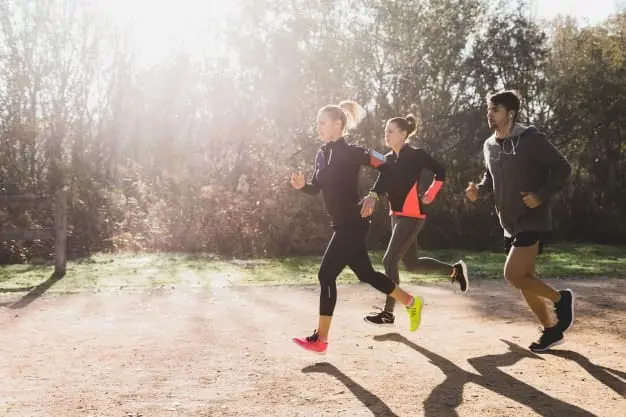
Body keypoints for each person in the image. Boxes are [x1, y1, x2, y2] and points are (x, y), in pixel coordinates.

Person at [289, 101, 423, 355]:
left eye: (322, 122)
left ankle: (321, 339)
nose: (318, 127)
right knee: (367, 274)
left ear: (337, 125)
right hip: (341, 224)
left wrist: (374, 194)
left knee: (326, 275)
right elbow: (316, 188)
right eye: (317, 123)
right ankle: (410, 302)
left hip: (353, 223)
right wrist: (302, 186)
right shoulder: (321, 155)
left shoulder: (353, 152)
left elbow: (388, 166)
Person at [465, 89, 574, 352]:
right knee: (525, 279)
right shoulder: (489, 144)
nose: (489, 114)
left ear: (510, 114)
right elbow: (489, 177)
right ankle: (551, 330)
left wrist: (541, 195)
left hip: (532, 218)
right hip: (508, 222)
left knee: (513, 275)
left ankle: (561, 299)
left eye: (496, 110)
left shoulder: (531, 139)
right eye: (489, 109)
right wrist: (478, 190)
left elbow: (563, 167)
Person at [359, 112, 469, 327]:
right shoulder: (387, 159)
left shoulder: (416, 155)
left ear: (403, 133)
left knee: (389, 260)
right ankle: (455, 270)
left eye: (390, 131)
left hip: (412, 216)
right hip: (396, 216)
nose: (386, 135)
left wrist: (431, 192)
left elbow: (440, 171)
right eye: (385, 131)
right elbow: (382, 181)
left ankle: (388, 313)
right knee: (412, 263)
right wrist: (372, 195)